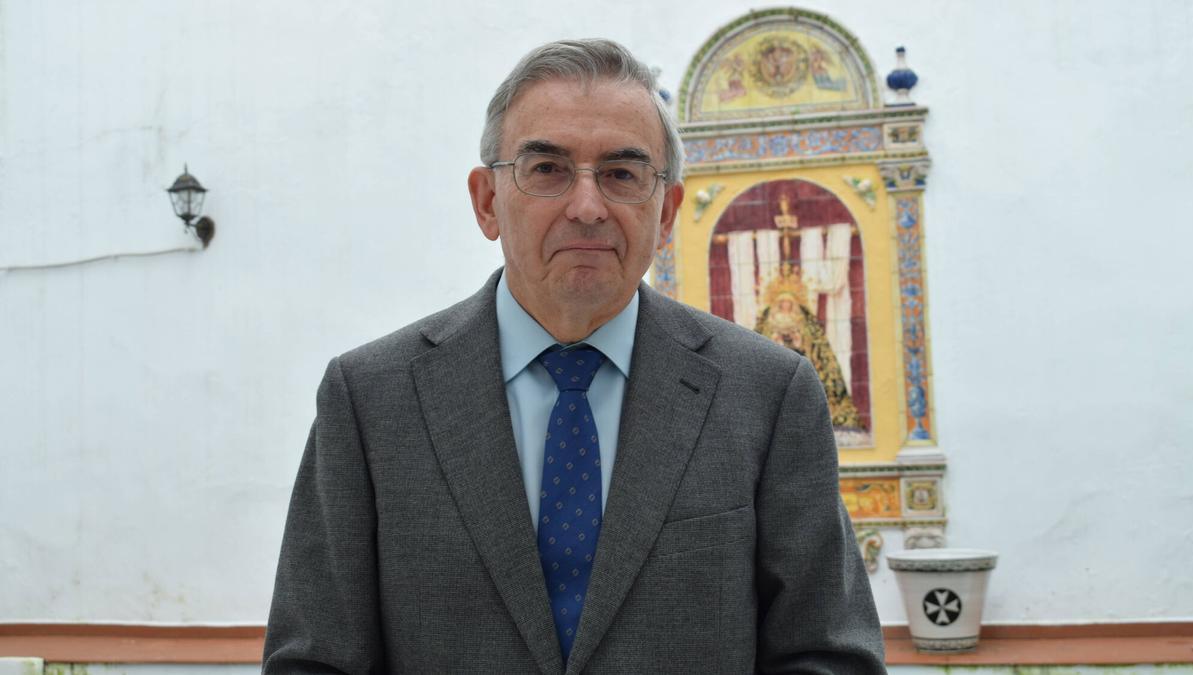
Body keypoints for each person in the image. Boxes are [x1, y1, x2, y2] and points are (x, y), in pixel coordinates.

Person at [263, 38, 886, 674]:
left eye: (621, 173)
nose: (587, 207)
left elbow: (827, 655)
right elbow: (315, 662)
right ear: (487, 202)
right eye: (547, 170)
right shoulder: (372, 399)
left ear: (666, 211)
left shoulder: (766, 394)